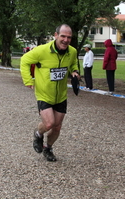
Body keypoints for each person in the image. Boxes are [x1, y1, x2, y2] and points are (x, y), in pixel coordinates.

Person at [20, 24, 80, 162]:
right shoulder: (42, 50)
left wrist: (75, 71)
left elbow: (73, 64)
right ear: (56, 35)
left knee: (57, 127)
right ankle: (38, 134)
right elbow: (24, 60)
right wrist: (28, 80)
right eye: (63, 36)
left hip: (61, 95)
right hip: (44, 94)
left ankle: (48, 148)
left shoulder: (72, 51)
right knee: (49, 124)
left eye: (69, 37)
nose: (66, 40)